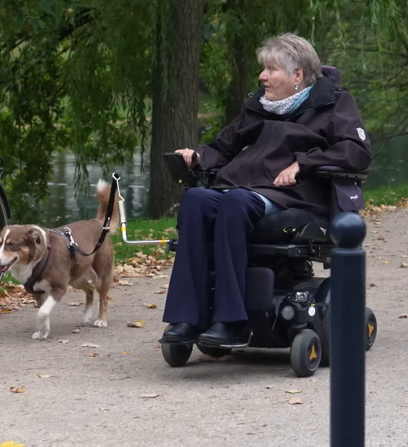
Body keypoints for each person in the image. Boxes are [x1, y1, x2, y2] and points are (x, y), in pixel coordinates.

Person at [159, 33, 372, 348]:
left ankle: (231, 322)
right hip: (244, 191)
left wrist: (305, 163)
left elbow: (357, 152)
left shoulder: (335, 103)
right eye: (264, 70)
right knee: (195, 199)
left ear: (297, 75)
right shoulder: (259, 105)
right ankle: (188, 317)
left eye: (271, 70)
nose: (263, 76)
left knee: (234, 203)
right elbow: (224, 146)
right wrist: (198, 156)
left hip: (293, 197)